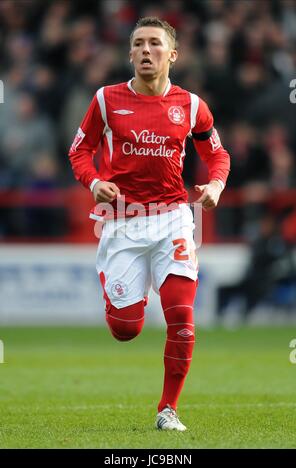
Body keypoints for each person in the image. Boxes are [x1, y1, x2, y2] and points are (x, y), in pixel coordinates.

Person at [69, 17, 230, 431]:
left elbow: (218, 155)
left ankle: (168, 410)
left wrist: (215, 184)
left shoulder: (191, 106)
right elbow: (79, 151)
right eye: (138, 43)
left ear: (172, 55)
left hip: (173, 218)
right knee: (126, 330)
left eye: (155, 44)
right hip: (123, 222)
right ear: (129, 53)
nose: (145, 50)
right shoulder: (106, 99)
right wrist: (94, 181)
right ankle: (114, 289)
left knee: (182, 319)